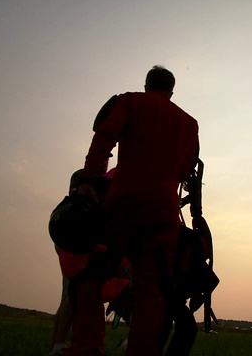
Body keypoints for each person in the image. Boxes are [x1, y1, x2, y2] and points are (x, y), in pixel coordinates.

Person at [77, 65, 199, 356]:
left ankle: (85, 349)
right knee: (152, 291)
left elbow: (104, 136)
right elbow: (185, 169)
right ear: (171, 91)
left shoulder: (129, 101)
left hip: (123, 204)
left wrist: (90, 178)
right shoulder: (189, 123)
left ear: (146, 85)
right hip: (163, 212)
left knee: (91, 276)